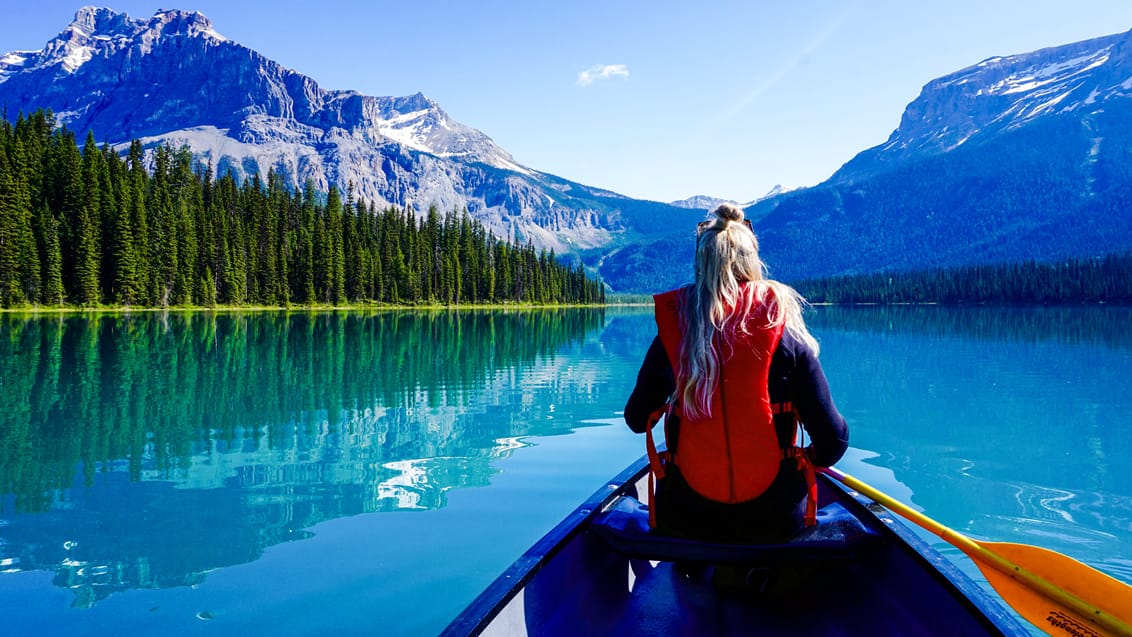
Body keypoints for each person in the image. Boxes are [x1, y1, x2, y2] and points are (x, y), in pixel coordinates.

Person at [623, 202, 848, 543]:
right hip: (776, 522)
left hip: (686, 520)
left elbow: (637, 419)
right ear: (752, 262)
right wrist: (802, 459)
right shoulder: (785, 336)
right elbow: (834, 442)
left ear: (702, 264)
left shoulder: (676, 334)